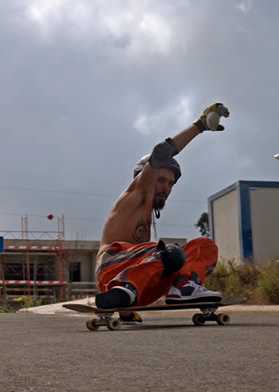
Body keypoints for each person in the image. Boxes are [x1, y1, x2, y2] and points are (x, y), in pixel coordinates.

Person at [94, 103, 230, 324]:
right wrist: (200, 126)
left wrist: (125, 313)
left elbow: (147, 266)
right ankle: (124, 287)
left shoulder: (145, 214)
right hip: (111, 269)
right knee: (168, 252)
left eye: (171, 184)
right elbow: (161, 152)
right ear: (144, 178)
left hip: (139, 284)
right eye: (161, 180)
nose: (167, 188)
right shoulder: (136, 194)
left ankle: (182, 287)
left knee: (203, 246)